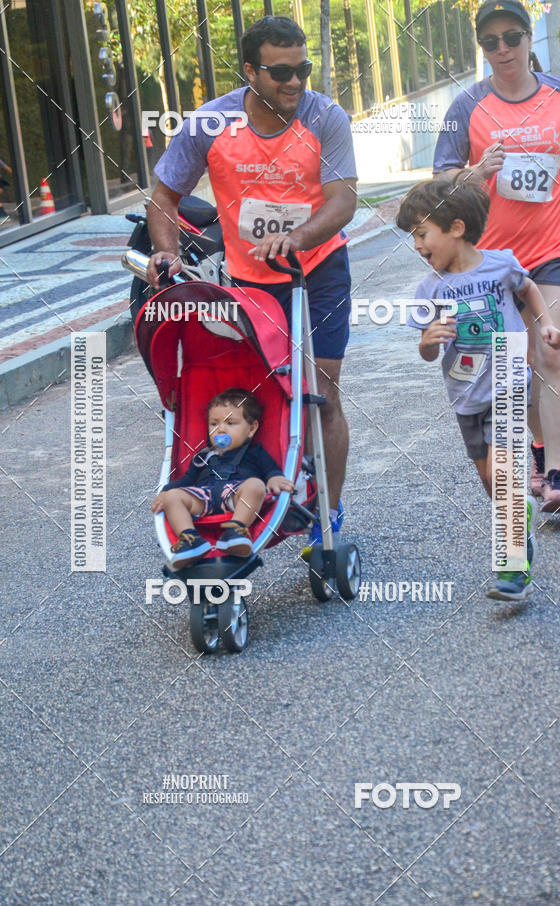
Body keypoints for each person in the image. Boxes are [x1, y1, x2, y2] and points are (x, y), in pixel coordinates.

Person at [146, 15, 357, 554]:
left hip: (319, 270)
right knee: (266, 395)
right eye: (281, 72)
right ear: (249, 71)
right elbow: (163, 196)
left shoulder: (324, 116)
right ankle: (262, 491)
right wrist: (166, 252)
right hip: (250, 283)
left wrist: (297, 238)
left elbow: (342, 200)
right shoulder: (211, 123)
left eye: (303, 69)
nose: (295, 82)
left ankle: (328, 514)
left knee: (320, 392)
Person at [433, 0, 560, 515]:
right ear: (483, 49)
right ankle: (539, 450)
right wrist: (476, 172)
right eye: (490, 42)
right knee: (519, 365)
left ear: (529, 38)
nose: (502, 49)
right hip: (498, 258)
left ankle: (558, 474)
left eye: (511, 38)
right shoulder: (466, 107)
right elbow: (441, 178)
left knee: (553, 349)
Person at [396, 177, 560, 600]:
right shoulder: (430, 289)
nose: (417, 245)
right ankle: (520, 517)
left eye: (422, 233)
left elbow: (528, 288)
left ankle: (513, 567)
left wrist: (546, 324)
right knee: (491, 481)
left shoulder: (501, 264)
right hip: (466, 396)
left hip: (509, 378)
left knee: (502, 476)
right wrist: (427, 341)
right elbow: (427, 354)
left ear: (456, 228)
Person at [151, 388, 294, 564]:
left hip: (236, 496)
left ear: (251, 428)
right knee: (172, 496)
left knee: (256, 486)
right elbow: (188, 480)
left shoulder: (255, 452)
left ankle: (235, 531)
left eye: (230, 423)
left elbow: (270, 470)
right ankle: (190, 539)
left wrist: (274, 477)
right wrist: (166, 491)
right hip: (204, 497)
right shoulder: (203, 455)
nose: (220, 429)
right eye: (214, 424)